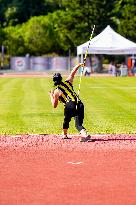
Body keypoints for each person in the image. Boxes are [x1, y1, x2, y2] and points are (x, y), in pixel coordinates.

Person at [49, 63, 94, 142]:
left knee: (66, 119)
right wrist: (80, 65)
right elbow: (73, 72)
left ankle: (64, 134)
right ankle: (85, 135)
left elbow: (54, 105)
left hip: (69, 105)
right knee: (78, 124)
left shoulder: (56, 91)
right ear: (61, 79)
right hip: (79, 103)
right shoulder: (68, 82)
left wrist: (51, 96)